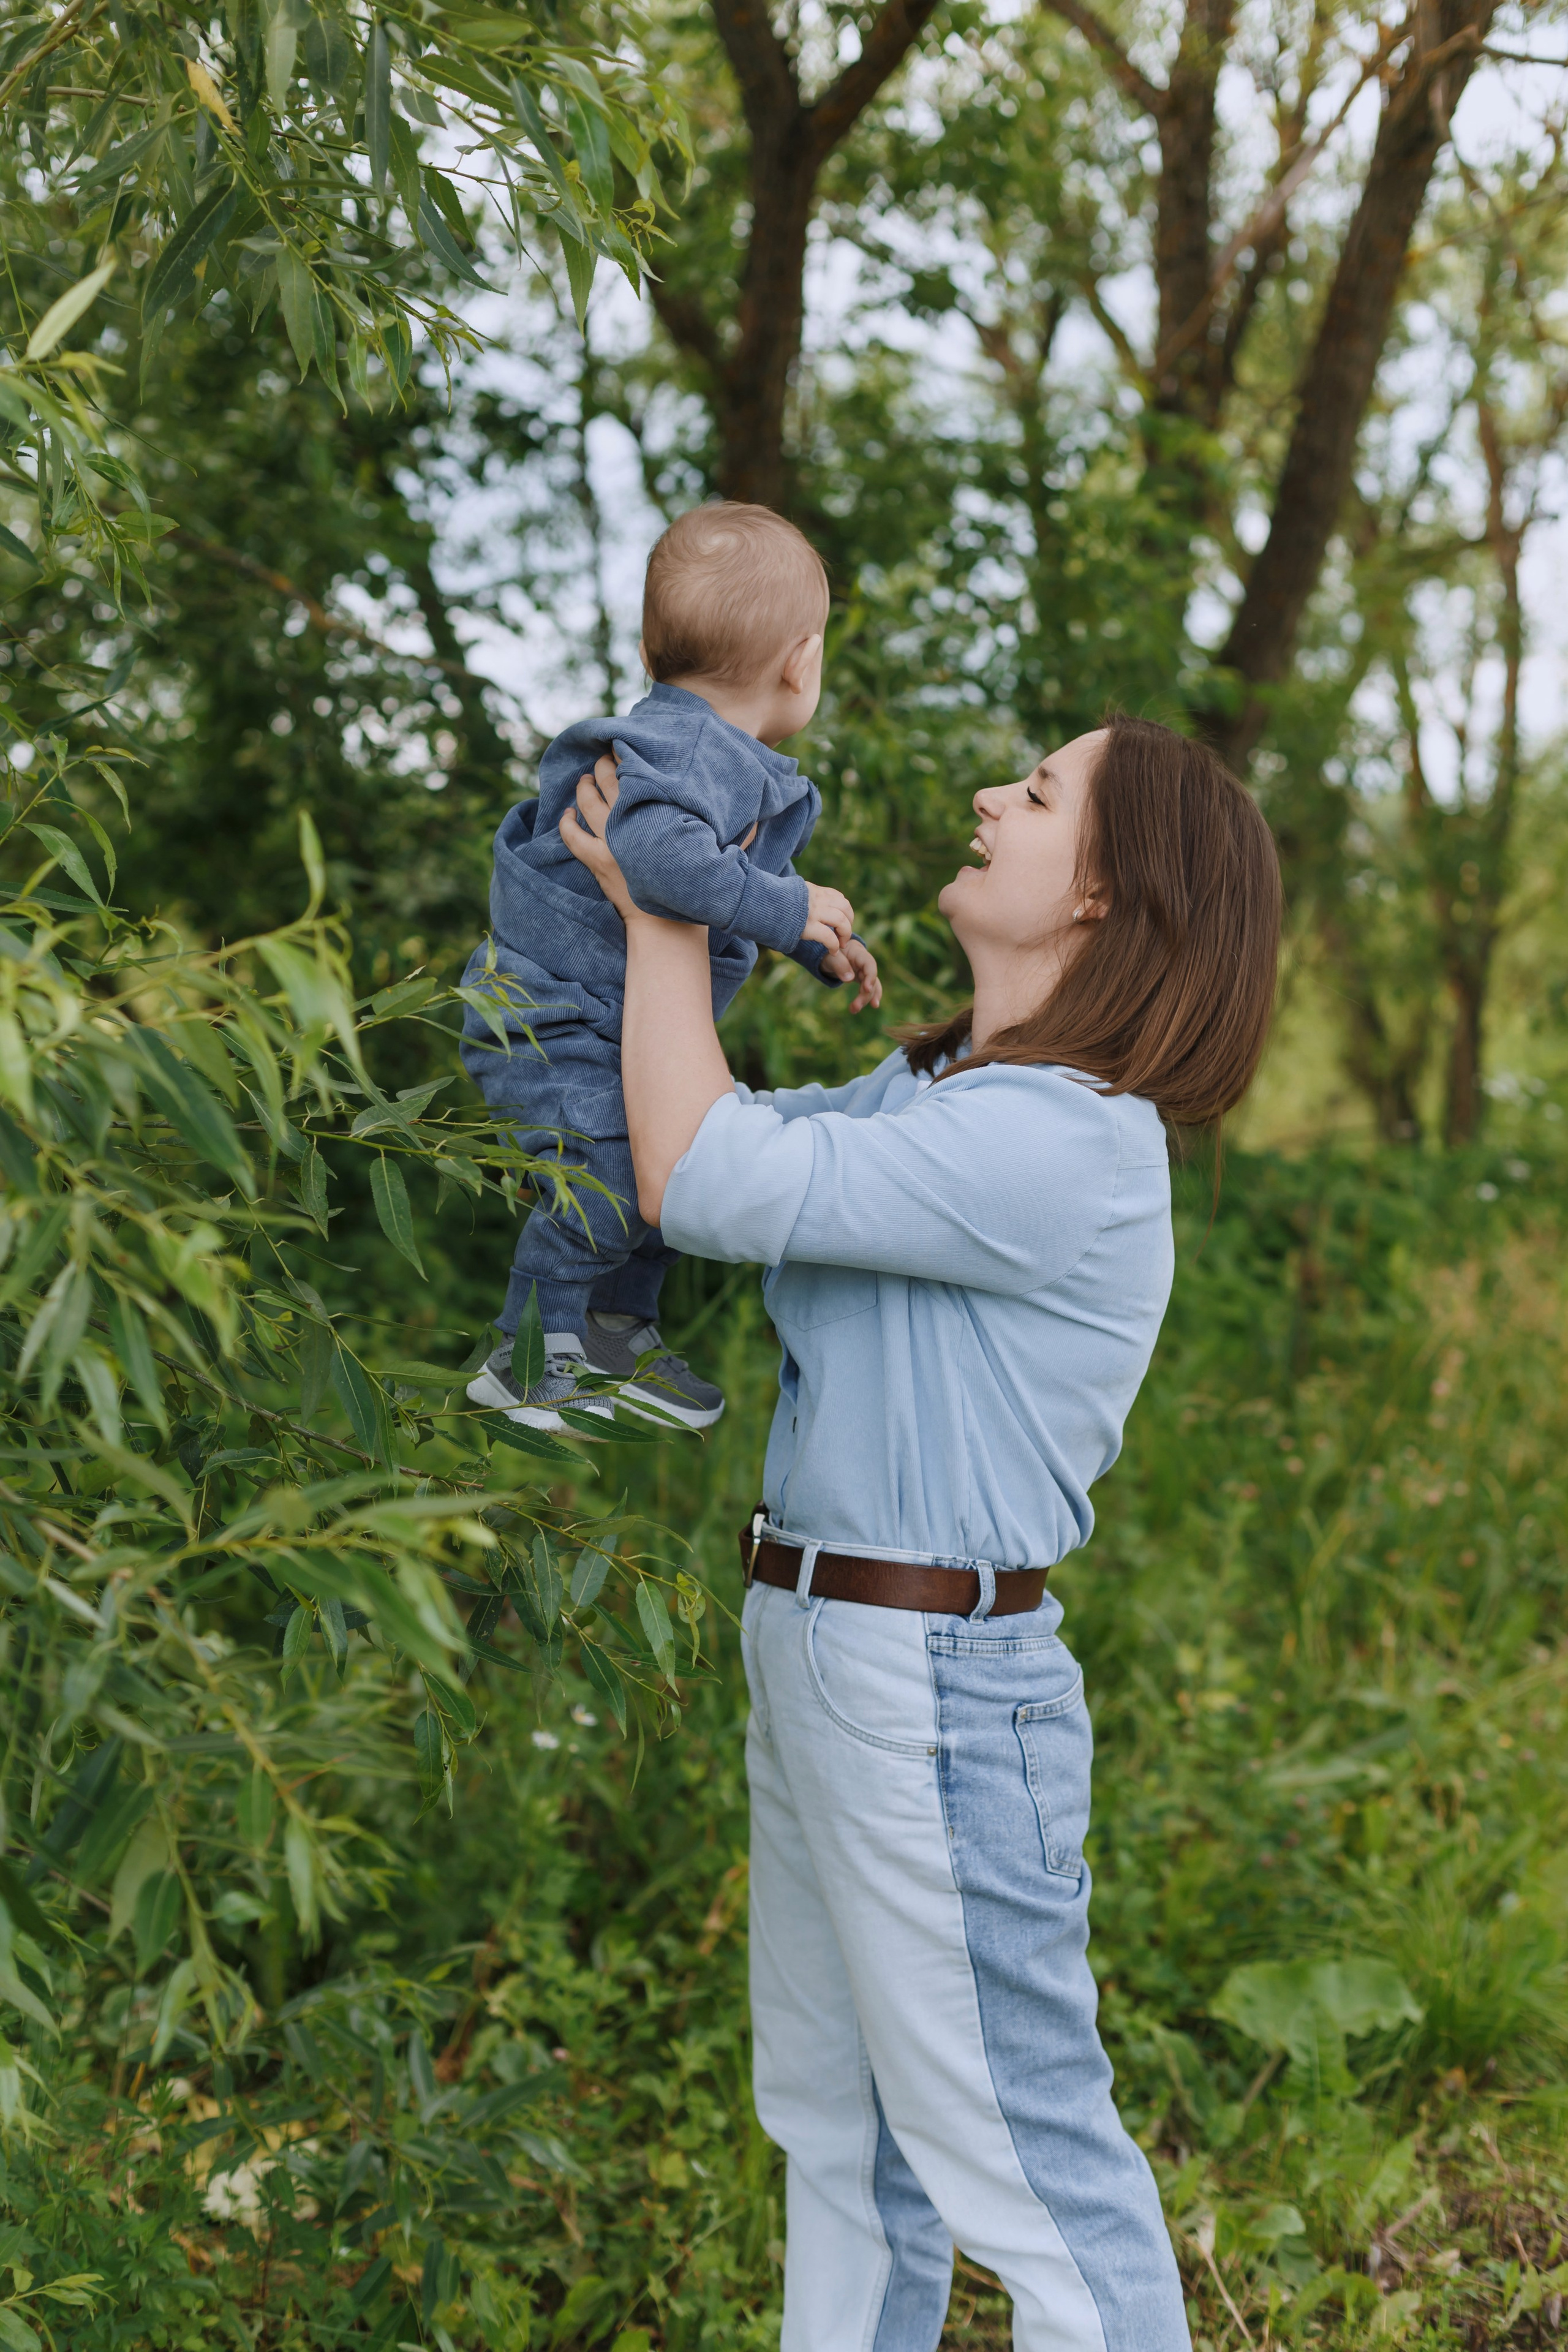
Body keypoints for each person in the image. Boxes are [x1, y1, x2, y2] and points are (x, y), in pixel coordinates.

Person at [560, 713, 1282, 2352]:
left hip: (929, 1680)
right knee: (842, 2142)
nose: (987, 799)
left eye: (1035, 794)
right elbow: (704, 1123)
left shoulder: (1064, 1136)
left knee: (1027, 2171)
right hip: (826, 1644)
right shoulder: (937, 1088)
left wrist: (672, 900)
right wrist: (669, 904)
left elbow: (698, 1175)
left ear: (1102, 893)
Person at [459, 502, 879, 1433]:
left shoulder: (705, 752)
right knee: (605, 1178)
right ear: (802, 662)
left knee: (675, 1171)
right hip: (555, 1021)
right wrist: (784, 908)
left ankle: (613, 1332)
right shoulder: (690, 749)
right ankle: (526, 1354)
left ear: (651, 652)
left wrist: (807, 937)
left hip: (603, 1017)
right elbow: (659, 863)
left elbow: (710, 879)